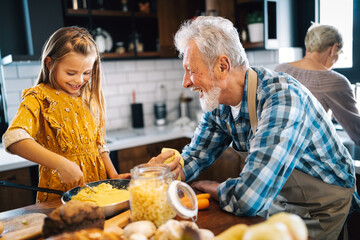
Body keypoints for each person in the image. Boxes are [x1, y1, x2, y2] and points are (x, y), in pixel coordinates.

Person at [162, 16, 360, 239]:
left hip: (323, 209)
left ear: (222, 66)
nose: (185, 82)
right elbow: (197, 154)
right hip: (279, 200)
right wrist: (170, 170)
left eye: (190, 70)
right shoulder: (219, 102)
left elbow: (248, 198)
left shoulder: (283, 99)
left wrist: (213, 187)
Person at [1, 27, 148, 203]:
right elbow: (13, 138)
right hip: (59, 194)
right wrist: (61, 164)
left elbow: (99, 145)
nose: (79, 80)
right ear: (50, 64)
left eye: (86, 73)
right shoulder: (39, 98)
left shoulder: (87, 98)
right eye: (71, 73)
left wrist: (114, 175)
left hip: (98, 190)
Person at [275, 23, 360, 145]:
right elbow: (357, 131)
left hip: (278, 150)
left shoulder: (279, 69)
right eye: (339, 53)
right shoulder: (334, 81)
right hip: (310, 158)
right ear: (333, 48)